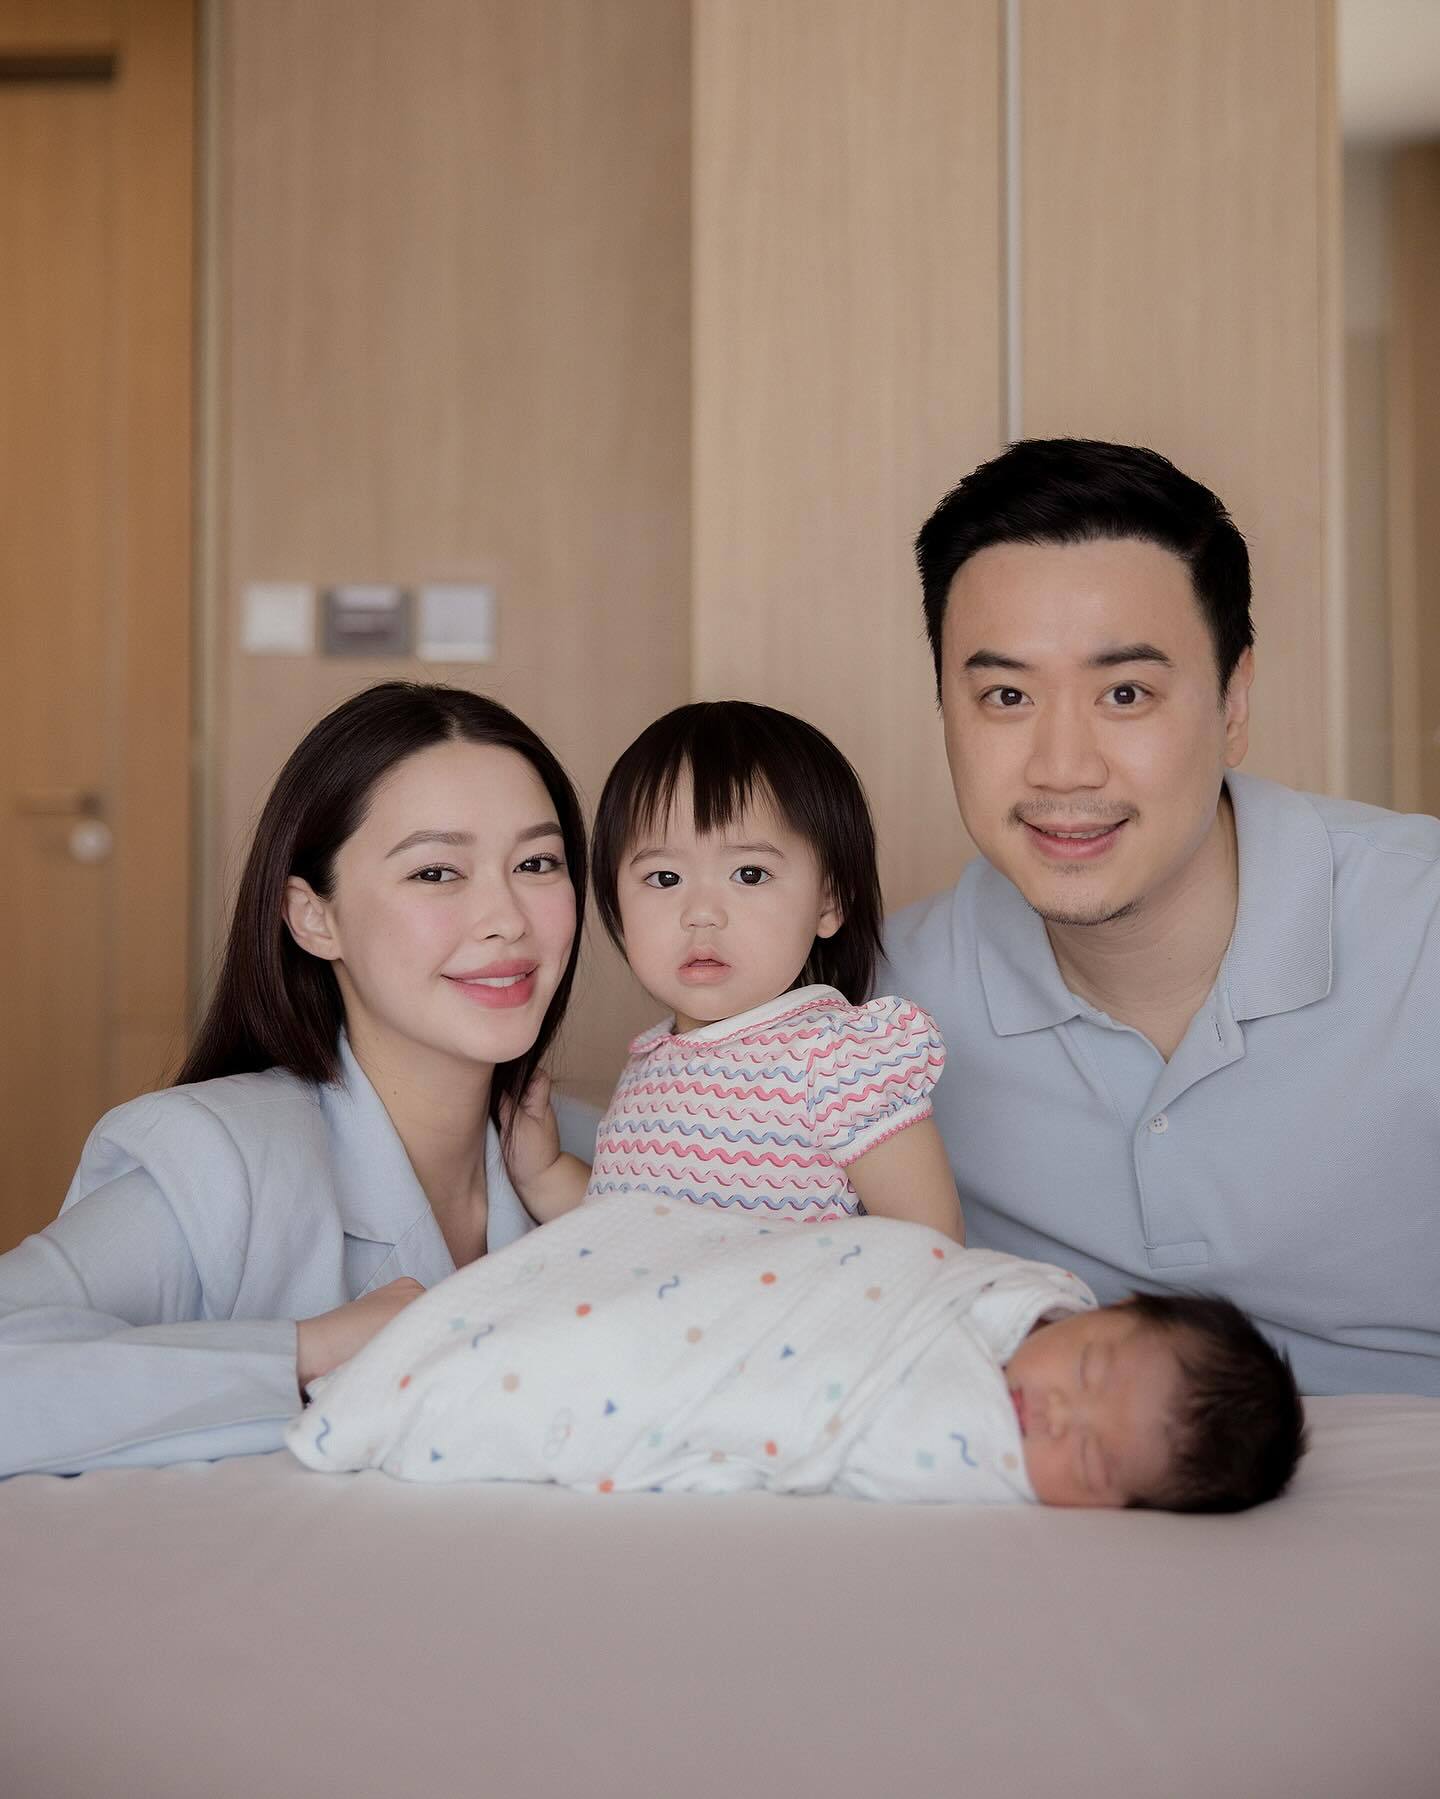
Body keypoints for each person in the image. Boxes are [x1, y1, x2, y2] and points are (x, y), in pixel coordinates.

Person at [881, 437, 1440, 1396]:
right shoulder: (878, 1007)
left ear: (1234, 703)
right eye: (1006, 695)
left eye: (1126, 693)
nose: (1064, 767)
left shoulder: (1422, 922)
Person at [0, 681, 596, 1477]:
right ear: (314, 916)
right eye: (436, 872)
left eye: (537, 862)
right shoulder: (215, 1162)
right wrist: (307, 1351)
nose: (508, 918)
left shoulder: (604, 1148)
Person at [285, 1190, 1305, 1513]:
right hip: (747, 1293)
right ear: (1108, 1308)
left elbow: (853, 1422)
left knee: (587, 1369)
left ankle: (402, 1382)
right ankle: (419, 1341)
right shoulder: (1012, 1289)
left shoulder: (964, 1452)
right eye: (1087, 1372)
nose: (1055, 1413)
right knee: (618, 1295)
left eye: (1088, 1457)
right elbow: (866, 1260)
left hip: (730, 1381)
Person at [505, 701, 963, 1239]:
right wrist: (544, 1174)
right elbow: (627, 1231)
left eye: (749, 874)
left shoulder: (835, 1059)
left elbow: (929, 1241)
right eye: (664, 878)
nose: (701, 913)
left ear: (829, 901)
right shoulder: (651, 1063)